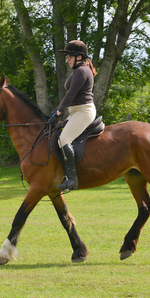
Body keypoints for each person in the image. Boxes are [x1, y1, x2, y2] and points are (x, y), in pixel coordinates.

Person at [48, 40, 97, 191]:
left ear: (79, 57)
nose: (67, 59)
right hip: (76, 111)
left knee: (64, 139)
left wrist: (58, 111)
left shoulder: (82, 71)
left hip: (83, 111)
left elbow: (70, 95)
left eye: (70, 56)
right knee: (59, 135)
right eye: (67, 56)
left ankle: (72, 179)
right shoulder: (80, 71)